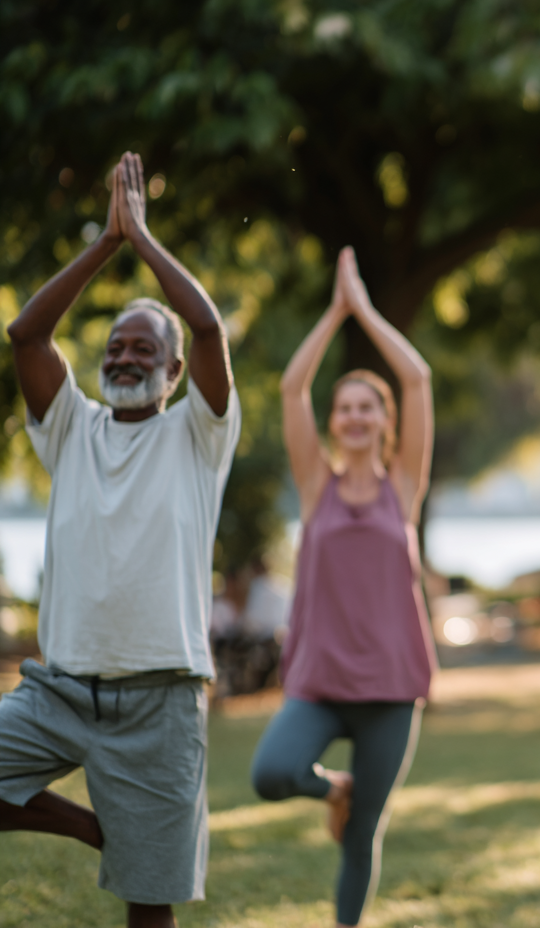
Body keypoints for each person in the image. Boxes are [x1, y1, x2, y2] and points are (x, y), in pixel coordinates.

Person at [0, 153, 240, 928]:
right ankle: (90, 827)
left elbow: (206, 324)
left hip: (161, 700)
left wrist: (143, 238)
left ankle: (129, 844)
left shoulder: (199, 435)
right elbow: (27, 332)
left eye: (143, 349)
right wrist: (104, 244)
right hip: (60, 691)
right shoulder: (70, 427)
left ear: (173, 372)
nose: (124, 356)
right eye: (114, 345)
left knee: (149, 908)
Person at [249, 246, 437, 928]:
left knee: (362, 838)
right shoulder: (315, 488)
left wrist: (366, 310)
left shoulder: (404, 488)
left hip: (391, 687)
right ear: (334, 422)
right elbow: (291, 388)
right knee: (271, 775)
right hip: (321, 681)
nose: (356, 416)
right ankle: (335, 789)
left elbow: (416, 379)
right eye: (346, 407)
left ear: (384, 422)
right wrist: (334, 313)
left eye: (368, 407)